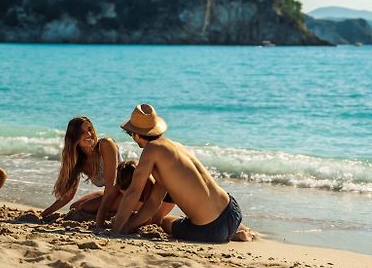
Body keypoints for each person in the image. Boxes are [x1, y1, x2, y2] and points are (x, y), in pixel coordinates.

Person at [113, 103, 253, 242]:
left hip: (210, 230)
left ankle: (229, 233)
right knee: (178, 219)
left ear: (136, 135)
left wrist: (118, 229)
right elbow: (154, 202)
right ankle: (238, 231)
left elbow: (133, 193)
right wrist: (130, 226)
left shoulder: (151, 149)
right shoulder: (176, 147)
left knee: (165, 222)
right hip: (232, 211)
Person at [41, 117, 121, 222]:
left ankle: (119, 214)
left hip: (130, 193)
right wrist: (44, 214)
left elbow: (111, 185)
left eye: (89, 129)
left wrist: (99, 220)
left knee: (85, 208)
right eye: (82, 132)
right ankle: (114, 213)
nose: (88, 134)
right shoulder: (79, 161)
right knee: (75, 207)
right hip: (114, 194)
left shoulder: (105, 144)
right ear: (74, 137)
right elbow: (68, 196)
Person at [95, 160, 175, 228]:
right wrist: (99, 225)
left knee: (155, 222)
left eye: (128, 193)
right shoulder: (121, 181)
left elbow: (148, 209)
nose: (125, 195)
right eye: (124, 193)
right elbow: (105, 204)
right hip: (144, 198)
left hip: (166, 196)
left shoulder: (147, 182)